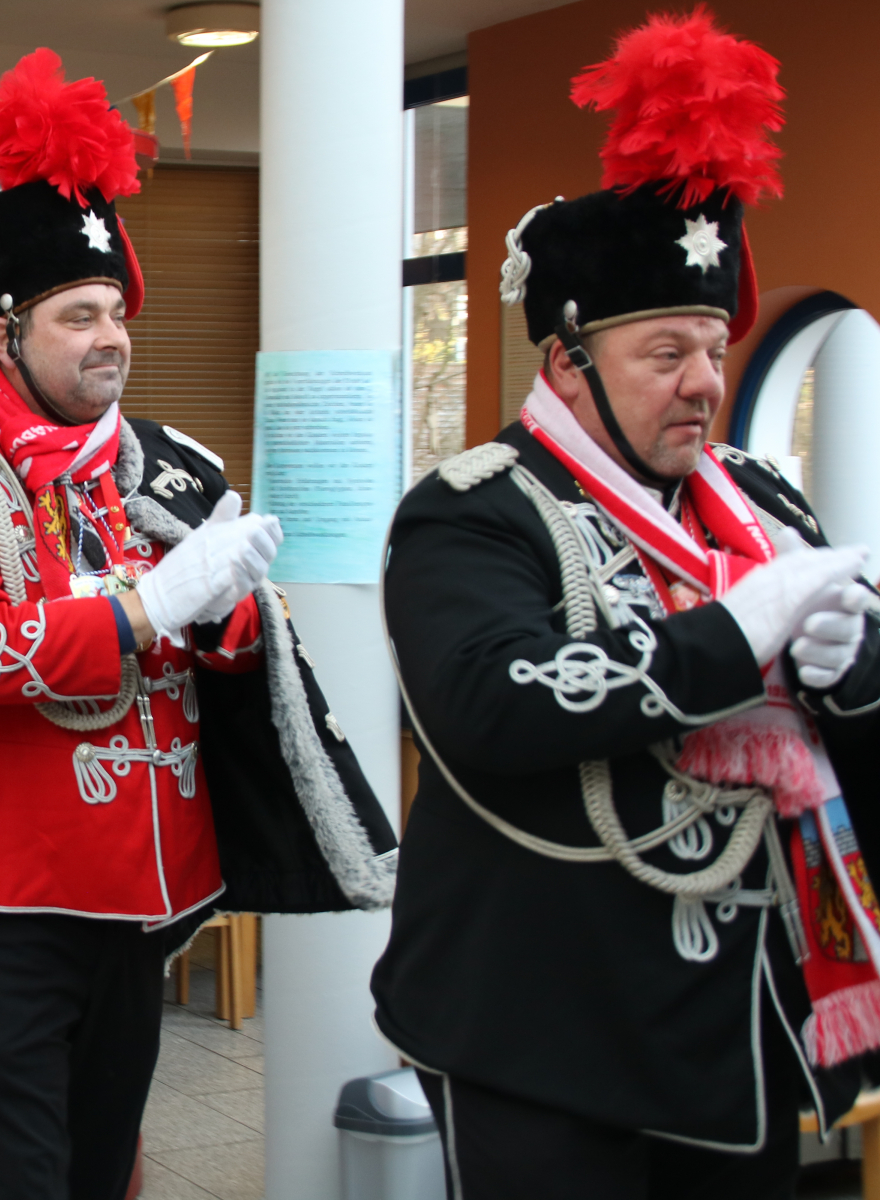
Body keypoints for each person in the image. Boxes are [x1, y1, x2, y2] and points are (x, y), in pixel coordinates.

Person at [0, 49, 396, 1200]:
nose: (110, 335)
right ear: (2, 336)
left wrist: (230, 617)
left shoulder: (169, 465)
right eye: (78, 316)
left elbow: (245, 651)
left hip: (145, 885)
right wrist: (151, 603)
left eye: (116, 311)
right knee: (20, 1177)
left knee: (105, 1169)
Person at [371, 13, 880, 1198]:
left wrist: (855, 670)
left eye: (714, 350)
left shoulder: (759, 502)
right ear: (567, 362)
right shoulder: (472, 511)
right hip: (543, 1027)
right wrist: (737, 635)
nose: (704, 384)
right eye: (665, 354)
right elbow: (487, 702)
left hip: (743, 1021)